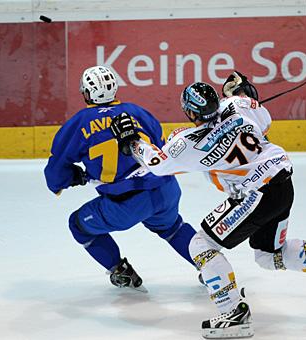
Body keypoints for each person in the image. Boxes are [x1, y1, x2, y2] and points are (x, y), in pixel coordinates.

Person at [110, 72, 306, 338]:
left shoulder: (188, 142)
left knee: (201, 245)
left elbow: (159, 165)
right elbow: (263, 120)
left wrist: (132, 142)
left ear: (189, 112)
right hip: (283, 184)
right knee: (269, 255)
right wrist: (242, 94)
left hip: (257, 192)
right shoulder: (238, 105)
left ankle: (233, 313)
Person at [44, 65, 198, 291]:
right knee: (173, 227)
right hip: (166, 190)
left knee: (78, 225)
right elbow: (161, 148)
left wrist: (69, 178)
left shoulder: (80, 123)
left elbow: (56, 172)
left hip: (125, 204)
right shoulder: (138, 112)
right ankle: (211, 268)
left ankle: (121, 272)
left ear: (86, 93)